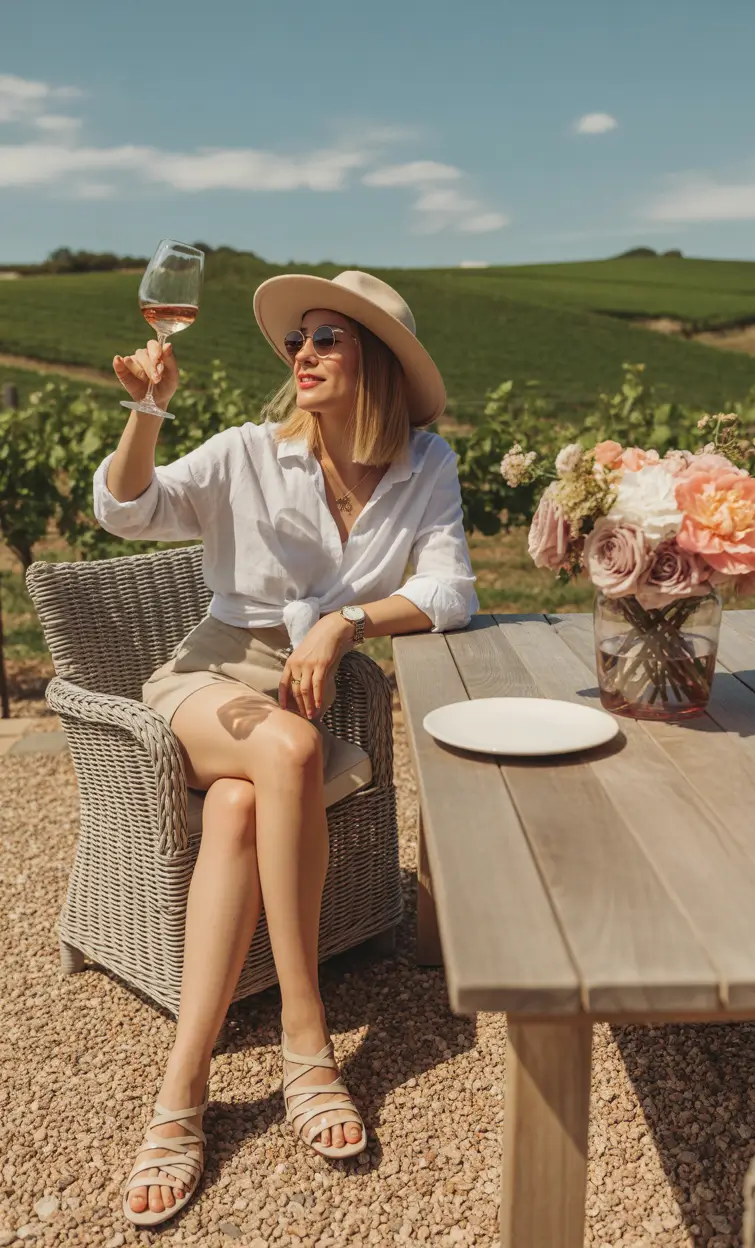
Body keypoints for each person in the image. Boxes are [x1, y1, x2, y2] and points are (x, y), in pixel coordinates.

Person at [95, 269, 478, 1228]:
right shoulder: (245, 453)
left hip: (300, 693)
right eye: (297, 339)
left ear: (376, 361)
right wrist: (146, 412)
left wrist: (345, 622)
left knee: (239, 806)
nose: (302, 352)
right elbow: (126, 510)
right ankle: (306, 1036)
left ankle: (183, 1085)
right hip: (208, 679)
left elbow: (451, 591)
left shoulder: (426, 464)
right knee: (293, 755)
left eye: (326, 338)